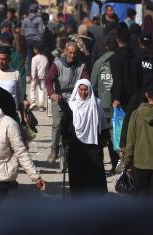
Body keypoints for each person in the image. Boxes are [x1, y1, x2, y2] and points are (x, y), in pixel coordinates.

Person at [59, 79, 108, 196]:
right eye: (81, 89)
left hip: (93, 143)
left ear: (90, 90)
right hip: (76, 143)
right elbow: (65, 123)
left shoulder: (97, 103)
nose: (83, 92)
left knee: (95, 171)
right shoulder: (71, 105)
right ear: (77, 90)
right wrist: (65, 138)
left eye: (86, 89)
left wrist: (105, 136)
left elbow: (103, 121)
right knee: (77, 171)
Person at [45, 42, 90, 163]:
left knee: (78, 125)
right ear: (65, 52)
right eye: (70, 52)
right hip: (59, 98)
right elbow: (49, 80)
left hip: (76, 99)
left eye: (75, 53)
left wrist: (84, 93)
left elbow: (86, 81)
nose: (72, 55)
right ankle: (54, 150)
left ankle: (78, 150)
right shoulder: (57, 65)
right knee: (57, 124)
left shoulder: (82, 66)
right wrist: (52, 93)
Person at [90, 37, 119, 171]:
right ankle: (117, 163)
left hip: (103, 105)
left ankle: (100, 166)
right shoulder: (122, 60)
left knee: (101, 135)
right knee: (116, 135)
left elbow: (92, 85)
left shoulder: (99, 63)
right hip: (119, 105)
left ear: (107, 47)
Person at [21, 4, 45, 73]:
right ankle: (37, 73)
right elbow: (41, 31)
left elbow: (22, 31)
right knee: (37, 56)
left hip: (28, 40)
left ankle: (28, 74)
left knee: (29, 56)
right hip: (36, 40)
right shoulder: (39, 19)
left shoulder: (25, 19)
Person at [29, 43, 49, 111]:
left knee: (32, 89)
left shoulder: (34, 58)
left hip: (36, 77)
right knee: (42, 90)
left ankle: (33, 102)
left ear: (36, 50)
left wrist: (33, 77)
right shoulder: (45, 58)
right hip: (43, 77)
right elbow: (47, 68)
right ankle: (41, 105)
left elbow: (33, 68)